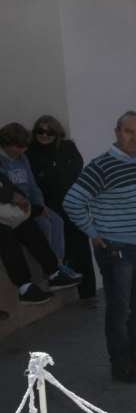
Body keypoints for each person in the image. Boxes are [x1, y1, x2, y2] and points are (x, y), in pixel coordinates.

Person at [64, 111, 136, 383]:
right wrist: (93, 231)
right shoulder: (100, 166)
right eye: (129, 132)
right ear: (117, 132)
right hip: (116, 251)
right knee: (119, 310)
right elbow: (72, 201)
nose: (134, 138)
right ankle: (121, 365)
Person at [27, 115, 96, 304]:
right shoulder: (30, 153)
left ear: (57, 133)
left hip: (71, 204)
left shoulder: (67, 148)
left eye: (49, 132)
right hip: (50, 206)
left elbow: (76, 170)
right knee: (60, 246)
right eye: (40, 131)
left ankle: (88, 294)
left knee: (80, 247)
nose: (44, 135)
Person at [0, 123, 74, 279]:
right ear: (7, 144)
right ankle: (50, 272)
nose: (22, 150)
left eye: (24, 147)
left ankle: (58, 266)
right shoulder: (2, 160)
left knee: (57, 221)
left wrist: (40, 204)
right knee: (44, 225)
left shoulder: (23, 158)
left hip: (29, 204)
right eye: (18, 147)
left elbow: (33, 186)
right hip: (12, 208)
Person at [0, 169, 77, 304]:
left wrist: (20, 197)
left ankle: (54, 273)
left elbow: (10, 185)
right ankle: (24, 287)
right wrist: (11, 196)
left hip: (5, 213)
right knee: (6, 236)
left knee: (29, 226)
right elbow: (9, 192)